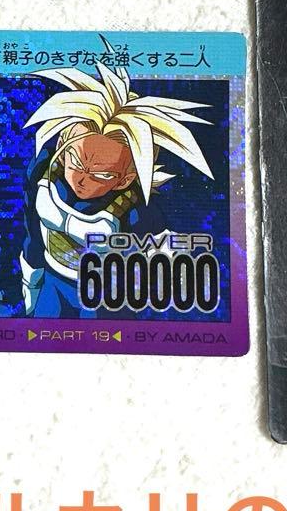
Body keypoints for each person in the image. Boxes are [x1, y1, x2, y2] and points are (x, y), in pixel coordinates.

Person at [20, 59, 213, 318]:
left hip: (103, 295)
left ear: (125, 179)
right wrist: (30, 281)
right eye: (75, 161)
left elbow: (162, 252)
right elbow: (32, 228)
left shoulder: (133, 209)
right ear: (63, 145)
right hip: (52, 282)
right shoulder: (43, 170)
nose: (81, 179)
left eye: (101, 174)